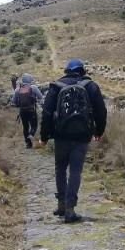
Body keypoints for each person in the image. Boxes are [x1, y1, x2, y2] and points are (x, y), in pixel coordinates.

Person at [40, 59, 106, 223]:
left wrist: (44, 136)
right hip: (82, 136)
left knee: (60, 169)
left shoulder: (56, 87)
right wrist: (99, 131)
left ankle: (61, 205)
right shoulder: (91, 86)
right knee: (75, 171)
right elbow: (101, 111)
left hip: (61, 135)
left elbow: (47, 113)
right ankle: (70, 209)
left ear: (66, 71)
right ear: (82, 70)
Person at [11, 73, 44, 148]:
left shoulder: (18, 89)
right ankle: (31, 135)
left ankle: (28, 144)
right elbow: (40, 96)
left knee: (25, 127)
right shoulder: (33, 87)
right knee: (34, 126)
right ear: (30, 80)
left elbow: (14, 101)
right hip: (31, 110)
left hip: (22, 111)